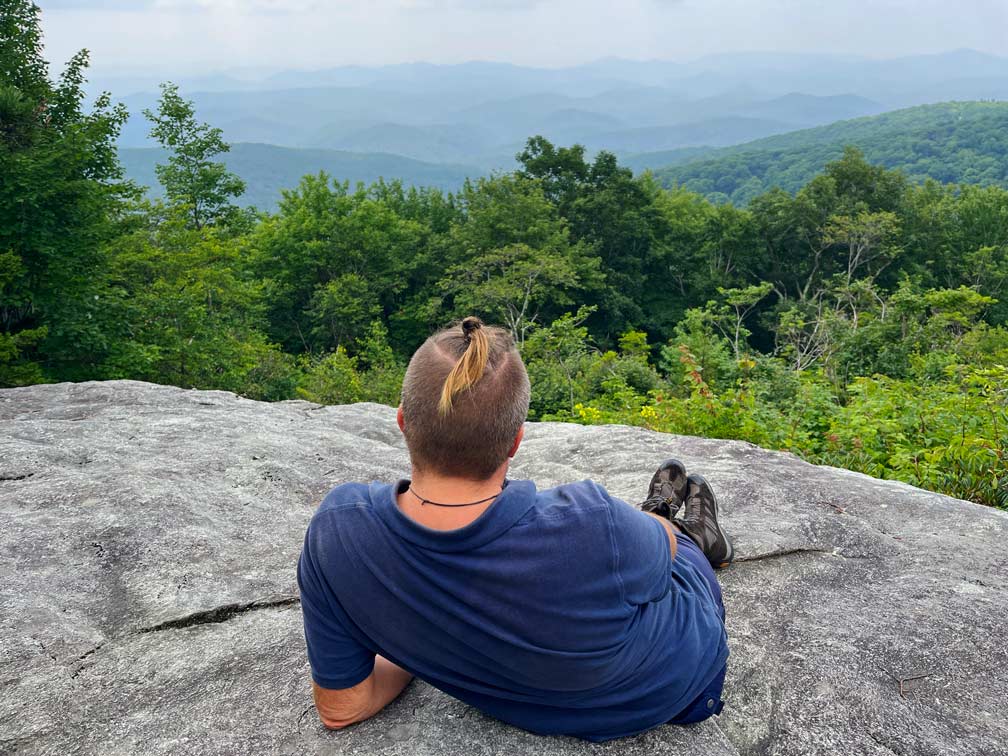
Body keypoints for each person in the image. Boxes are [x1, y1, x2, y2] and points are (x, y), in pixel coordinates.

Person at [297, 317, 733, 741]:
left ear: (402, 422)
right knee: (672, 545)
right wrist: (646, 533)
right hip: (676, 690)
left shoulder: (337, 530)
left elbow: (342, 708)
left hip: (539, 694)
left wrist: (412, 634)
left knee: (627, 551)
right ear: (516, 440)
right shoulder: (588, 521)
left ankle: (659, 519)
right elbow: (664, 557)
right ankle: (685, 526)